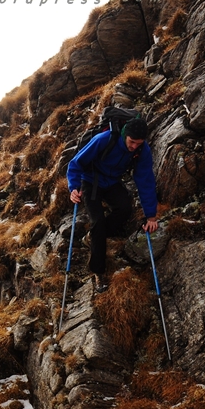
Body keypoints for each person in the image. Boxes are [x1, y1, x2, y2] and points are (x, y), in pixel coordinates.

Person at [67, 116, 159, 292]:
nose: (134, 147)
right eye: (132, 142)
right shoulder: (103, 139)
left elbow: (145, 180)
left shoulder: (142, 150)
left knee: (125, 209)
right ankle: (98, 272)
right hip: (91, 180)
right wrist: (74, 187)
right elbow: (76, 163)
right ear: (125, 135)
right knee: (98, 221)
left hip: (112, 182)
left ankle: (95, 237)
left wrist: (151, 216)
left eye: (138, 143)